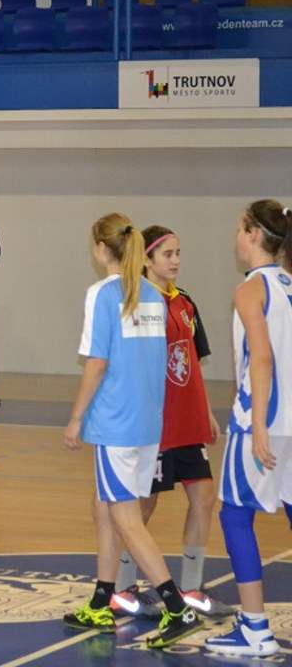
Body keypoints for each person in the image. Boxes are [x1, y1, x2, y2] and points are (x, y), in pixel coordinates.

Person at [61, 213, 201, 649]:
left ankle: (176, 608)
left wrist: (76, 417)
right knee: (105, 507)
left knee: (125, 517)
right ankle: (101, 600)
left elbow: (97, 363)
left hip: (116, 423)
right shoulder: (154, 295)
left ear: (101, 248)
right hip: (147, 424)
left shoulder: (104, 293)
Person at [111, 226, 230, 619]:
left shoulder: (185, 302)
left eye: (179, 253)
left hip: (187, 421)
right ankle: (122, 588)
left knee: (204, 496)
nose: (176, 260)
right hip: (155, 423)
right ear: (146, 259)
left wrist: (205, 412)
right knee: (143, 506)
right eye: (167, 254)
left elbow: (192, 361)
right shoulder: (140, 304)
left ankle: (191, 587)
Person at [204, 200, 292, 657]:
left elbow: (262, 358)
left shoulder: (251, 289)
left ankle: (255, 628)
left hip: (263, 419)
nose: (236, 237)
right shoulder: (289, 285)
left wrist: (257, 424)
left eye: (240, 228)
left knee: (235, 514)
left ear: (255, 234)